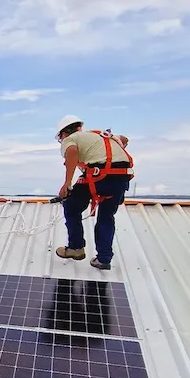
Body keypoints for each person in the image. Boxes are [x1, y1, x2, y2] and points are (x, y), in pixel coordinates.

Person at [52, 115, 133, 270]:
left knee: (71, 206)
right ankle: (103, 259)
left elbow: (72, 151)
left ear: (63, 133)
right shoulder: (101, 136)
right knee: (106, 217)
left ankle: (76, 248)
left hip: (99, 176)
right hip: (121, 178)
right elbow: (125, 139)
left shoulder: (71, 139)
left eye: (60, 138)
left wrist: (67, 184)